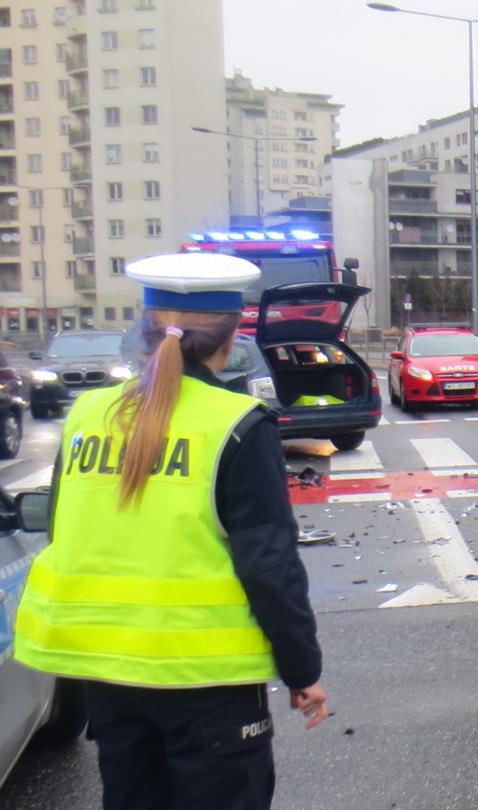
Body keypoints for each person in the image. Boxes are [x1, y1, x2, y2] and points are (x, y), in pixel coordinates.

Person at [16, 252, 328, 810]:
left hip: (108, 673)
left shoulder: (89, 414)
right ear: (231, 337)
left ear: (143, 327)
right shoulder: (237, 424)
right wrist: (302, 669)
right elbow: (269, 566)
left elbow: (63, 525)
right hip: (209, 684)